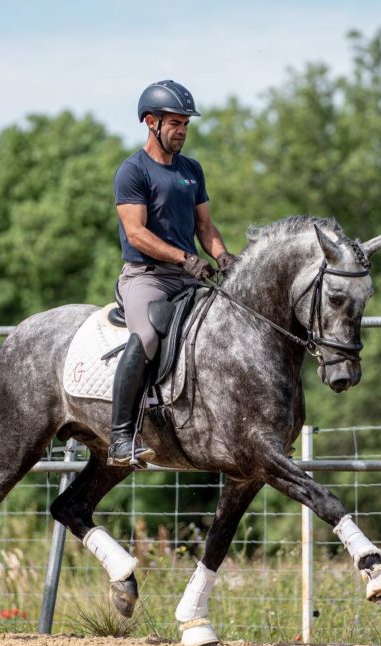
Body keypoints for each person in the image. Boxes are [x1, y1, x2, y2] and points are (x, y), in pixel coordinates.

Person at [107, 79, 236, 467]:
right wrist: (183, 258)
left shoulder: (191, 170)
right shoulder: (133, 171)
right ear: (151, 122)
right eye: (175, 123)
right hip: (146, 277)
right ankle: (120, 437)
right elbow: (136, 233)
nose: (182, 131)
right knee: (146, 337)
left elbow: (205, 226)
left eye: (186, 124)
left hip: (188, 276)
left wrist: (223, 257)